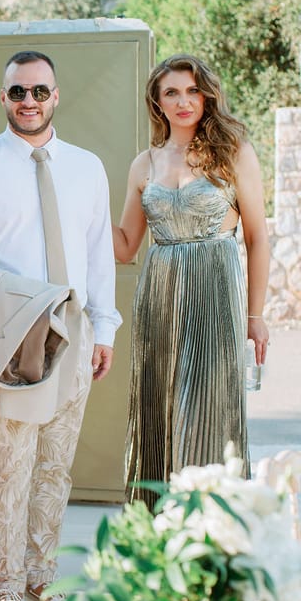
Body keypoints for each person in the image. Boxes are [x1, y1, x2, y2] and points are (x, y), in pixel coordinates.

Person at [0, 50, 120, 601]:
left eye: (40, 91)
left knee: (55, 469)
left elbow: (97, 252)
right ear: (3, 98)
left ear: (55, 96)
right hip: (9, 341)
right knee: (9, 467)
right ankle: (6, 586)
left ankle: (43, 579)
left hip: (74, 333)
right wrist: (3, 304)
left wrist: (104, 325)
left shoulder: (86, 167)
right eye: (18, 91)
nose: (29, 101)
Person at [113, 54, 270, 506]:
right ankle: (158, 535)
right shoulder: (144, 164)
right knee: (158, 414)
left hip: (216, 296)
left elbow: (258, 238)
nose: (184, 101)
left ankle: (210, 532)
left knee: (206, 413)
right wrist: (74, 204)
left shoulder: (233, 152)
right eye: (172, 93)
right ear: (157, 103)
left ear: (206, 95)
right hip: (160, 300)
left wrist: (255, 315)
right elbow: (125, 247)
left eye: (192, 90)